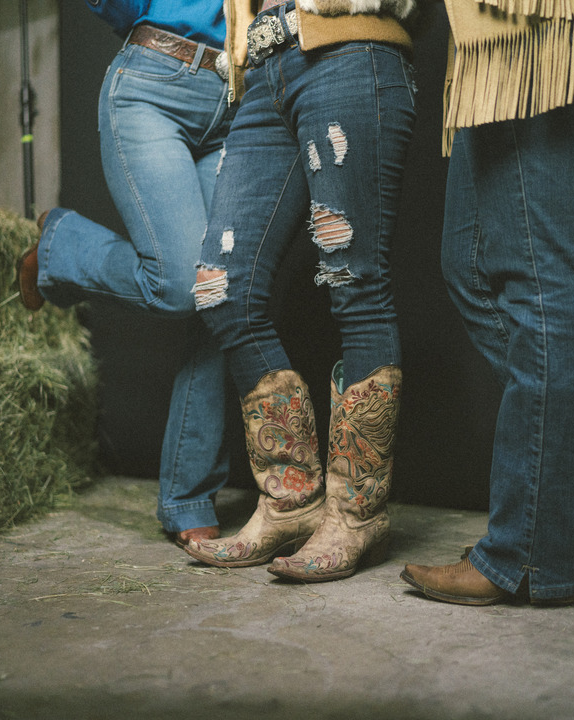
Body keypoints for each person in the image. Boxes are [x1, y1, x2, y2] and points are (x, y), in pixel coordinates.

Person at [400, 0, 574, 605]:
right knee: (472, 267)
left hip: (535, 21)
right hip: (491, 30)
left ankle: (532, 551)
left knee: (537, 277)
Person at [182, 0, 422, 582]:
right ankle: (291, 502)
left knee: (355, 286)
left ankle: (356, 514)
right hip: (265, 71)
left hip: (349, 48)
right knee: (223, 291)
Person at [17, 0, 234, 547]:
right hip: (154, 82)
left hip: (236, 96)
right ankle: (61, 246)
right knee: (184, 284)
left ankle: (189, 495)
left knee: (220, 295)